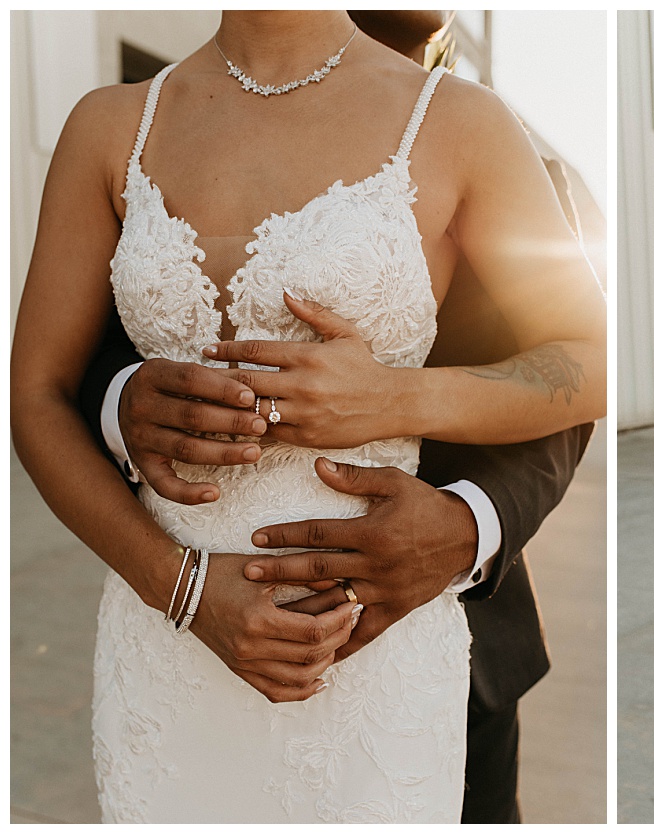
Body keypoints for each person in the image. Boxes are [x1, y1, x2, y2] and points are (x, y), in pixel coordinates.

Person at [11, 10, 605, 824]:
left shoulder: (462, 121)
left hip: (378, 651)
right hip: (168, 641)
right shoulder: (110, 124)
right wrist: (182, 591)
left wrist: (397, 399)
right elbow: (40, 391)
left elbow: (593, 358)